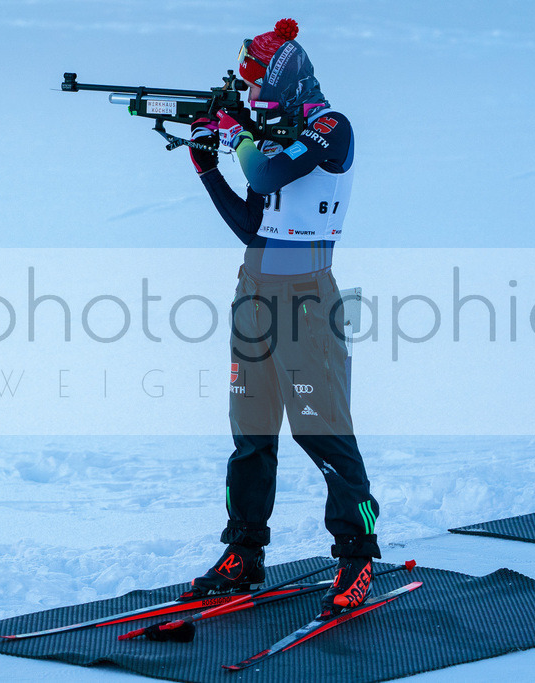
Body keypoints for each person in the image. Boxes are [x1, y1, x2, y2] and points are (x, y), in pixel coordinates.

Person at [181, 18, 381, 617]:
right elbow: (252, 225)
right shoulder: (268, 138)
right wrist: (205, 165)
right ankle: (244, 553)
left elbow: (265, 172)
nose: (250, 97)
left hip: (306, 299)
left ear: (285, 79)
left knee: (322, 430)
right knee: (251, 432)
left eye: (257, 85)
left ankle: (357, 557)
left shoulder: (329, 126)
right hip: (254, 292)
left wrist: (236, 135)